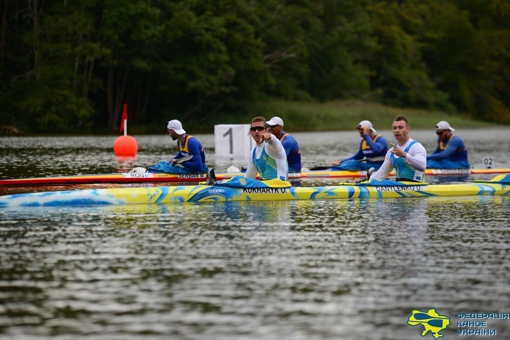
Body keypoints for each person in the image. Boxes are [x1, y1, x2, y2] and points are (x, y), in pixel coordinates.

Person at [369, 116, 427, 182]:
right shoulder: (391, 151)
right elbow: (381, 174)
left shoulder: (416, 147)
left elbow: (422, 166)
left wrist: (405, 155)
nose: (397, 130)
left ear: (408, 129)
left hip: (417, 186)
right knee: (377, 181)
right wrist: (367, 181)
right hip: (399, 187)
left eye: (400, 127)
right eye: (394, 128)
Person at [245, 116, 288, 180]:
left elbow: (273, 140)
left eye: (260, 128)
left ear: (266, 130)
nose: (256, 131)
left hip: (281, 186)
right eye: (253, 129)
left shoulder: (272, 146)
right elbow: (248, 179)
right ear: (251, 131)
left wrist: (270, 136)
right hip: (264, 187)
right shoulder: (252, 154)